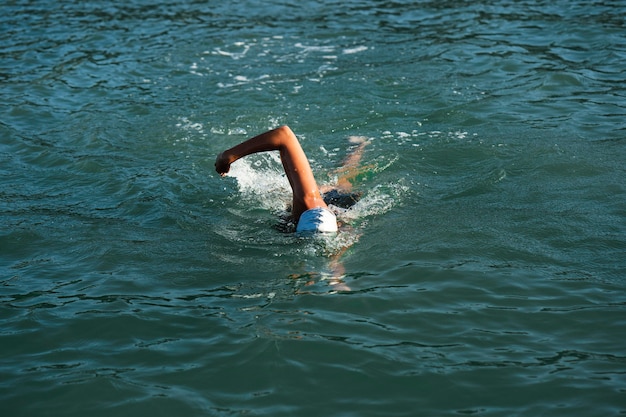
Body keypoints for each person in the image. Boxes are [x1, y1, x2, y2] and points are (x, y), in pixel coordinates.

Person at [215, 125, 367, 233]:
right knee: (340, 180)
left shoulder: (307, 204)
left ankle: (358, 147)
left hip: (321, 218)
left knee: (336, 181)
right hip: (334, 214)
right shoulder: (311, 205)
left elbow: (284, 134)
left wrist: (226, 157)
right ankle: (358, 147)